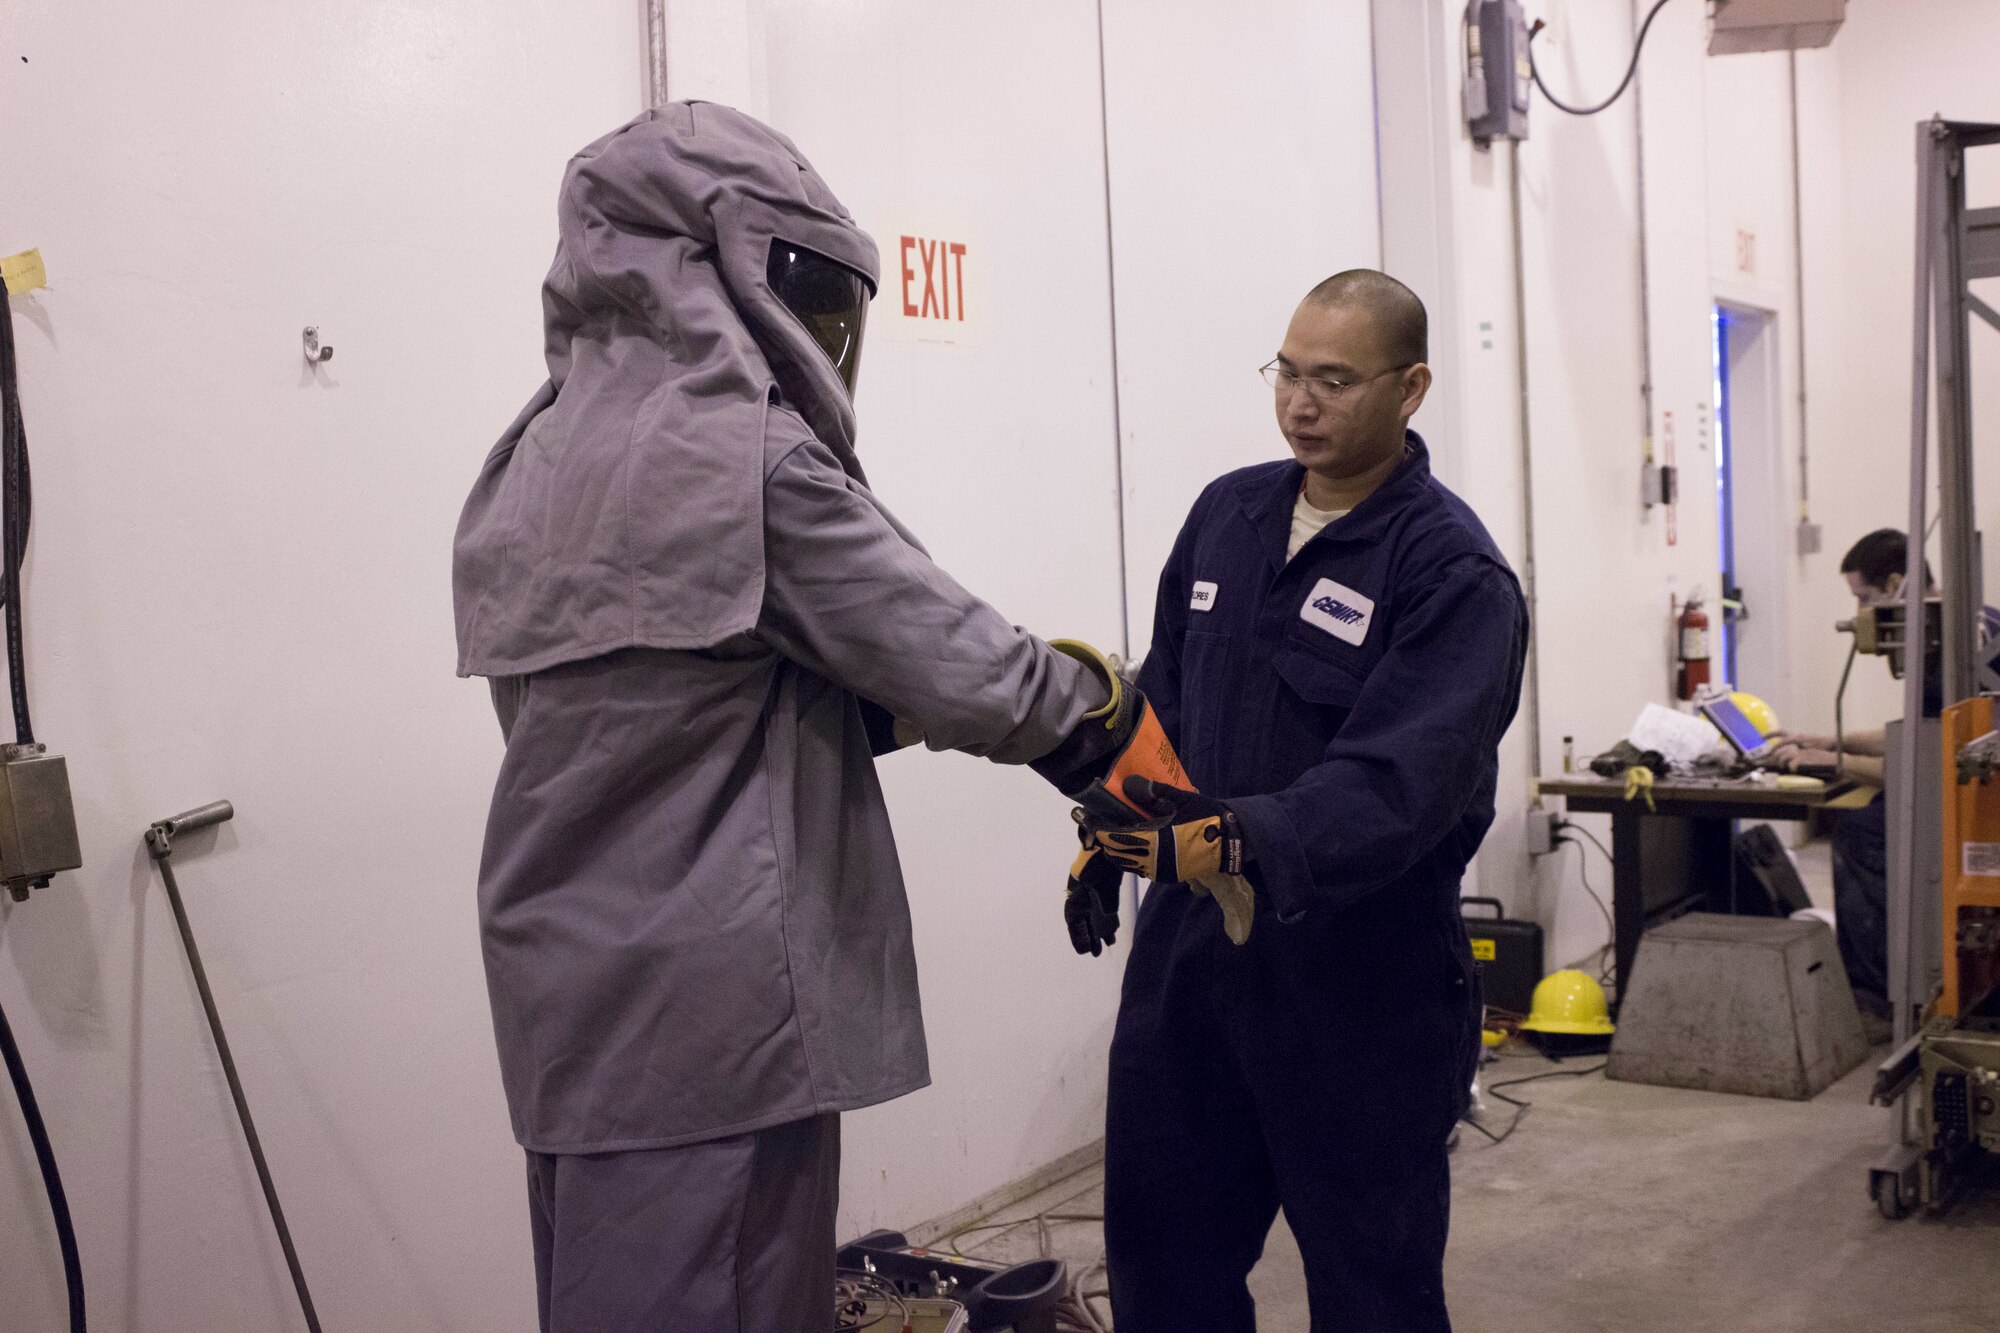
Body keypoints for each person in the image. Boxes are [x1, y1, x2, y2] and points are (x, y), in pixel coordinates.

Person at [450, 103, 1170, 1332]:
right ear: (719, 265)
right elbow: (957, 659)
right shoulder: (750, 462)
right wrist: (1098, 714)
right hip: (717, 1010)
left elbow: (645, 699)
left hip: (565, 995)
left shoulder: (526, 464)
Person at [1080, 270, 1528, 1332]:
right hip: (1191, 967)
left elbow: (1398, 783)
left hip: (1358, 984)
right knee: (1162, 1265)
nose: (1299, 402)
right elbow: (1168, 704)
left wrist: (1239, 835)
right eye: (1286, 372)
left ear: (1409, 388)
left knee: (1369, 1286)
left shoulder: (1452, 573)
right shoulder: (1226, 516)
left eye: (1333, 379)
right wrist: (1109, 825)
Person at [1771, 528, 2000, 1022]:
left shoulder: (1946, 648)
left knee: (1862, 833)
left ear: (1897, 583)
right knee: (1873, 814)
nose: (1858, 617)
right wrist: (1831, 741)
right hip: (1974, 781)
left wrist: (1832, 766)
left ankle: (1876, 998)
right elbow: (1913, 738)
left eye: (1864, 599)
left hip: (1981, 799)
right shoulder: (1972, 623)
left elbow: (1924, 770)